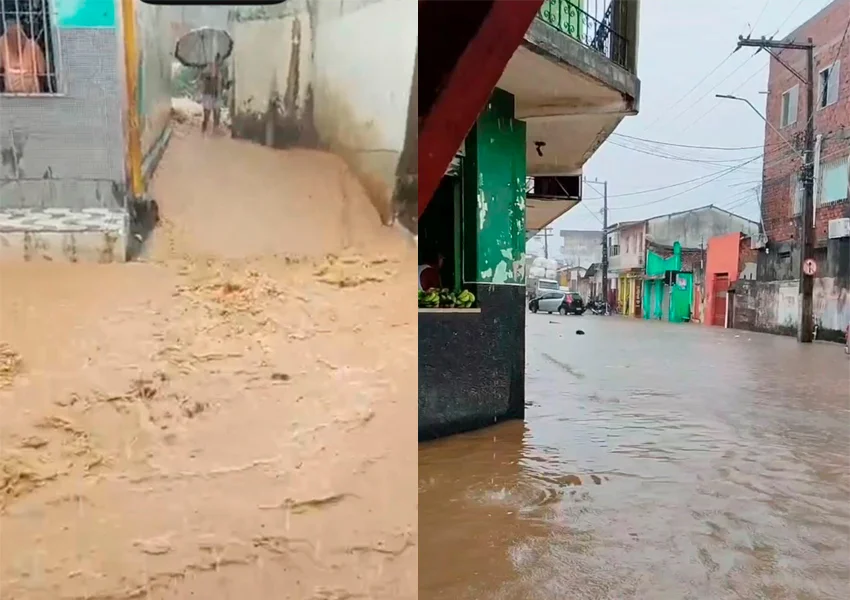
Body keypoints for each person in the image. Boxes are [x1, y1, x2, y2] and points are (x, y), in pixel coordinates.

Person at [0, 21, 46, 94]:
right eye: (11, 36)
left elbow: (42, 73)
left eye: (18, 36)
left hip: (32, 93)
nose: (15, 39)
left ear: (23, 36)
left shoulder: (33, 47)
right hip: (10, 95)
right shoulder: (2, 44)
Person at [199, 53, 229, 134]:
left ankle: (215, 131)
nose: (220, 63)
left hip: (217, 95)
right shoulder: (207, 69)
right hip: (208, 95)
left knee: (217, 114)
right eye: (219, 61)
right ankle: (203, 131)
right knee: (207, 115)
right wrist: (210, 76)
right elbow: (202, 78)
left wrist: (225, 85)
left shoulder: (220, 72)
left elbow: (222, 84)